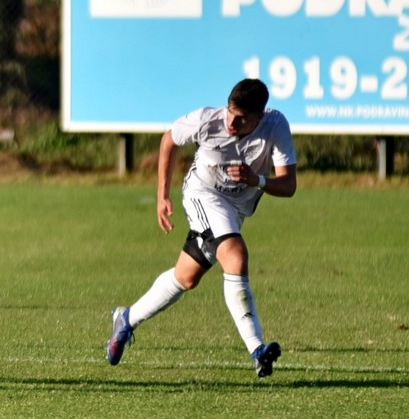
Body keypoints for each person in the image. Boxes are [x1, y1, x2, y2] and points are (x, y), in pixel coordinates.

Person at [106, 78, 297, 378]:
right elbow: (169, 139)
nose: (232, 122)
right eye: (231, 113)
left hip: (235, 208)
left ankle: (126, 319)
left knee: (186, 277)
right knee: (235, 255)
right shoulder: (206, 120)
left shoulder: (275, 125)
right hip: (202, 194)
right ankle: (257, 350)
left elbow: (288, 185)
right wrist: (162, 196)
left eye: (242, 118)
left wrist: (257, 180)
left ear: (259, 116)